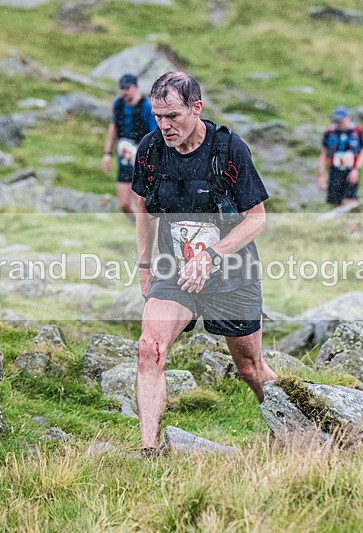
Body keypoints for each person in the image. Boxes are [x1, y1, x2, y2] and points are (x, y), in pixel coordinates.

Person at [131, 72, 277, 455]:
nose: (164, 125)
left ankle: (297, 431)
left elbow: (257, 217)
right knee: (150, 348)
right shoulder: (150, 151)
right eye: (157, 116)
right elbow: (143, 206)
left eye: (173, 115)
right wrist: (145, 266)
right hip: (174, 270)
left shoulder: (228, 151)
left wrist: (211, 256)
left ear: (197, 108)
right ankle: (149, 451)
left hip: (231, 275)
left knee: (251, 370)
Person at [102, 73, 158, 221]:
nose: (124, 92)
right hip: (123, 159)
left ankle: (147, 236)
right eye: (121, 88)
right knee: (124, 205)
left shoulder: (147, 107)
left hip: (141, 160)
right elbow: (113, 127)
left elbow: (154, 134)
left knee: (141, 204)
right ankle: (140, 232)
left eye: (127, 88)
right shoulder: (118, 104)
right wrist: (107, 153)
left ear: (136, 87)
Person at [317, 105, 363, 208]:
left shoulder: (357, 131)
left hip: (350, 170)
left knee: (351, 199)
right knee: (335, 201)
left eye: (341, 121)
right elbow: (324, 154)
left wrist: (356, 169)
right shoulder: (330, 133)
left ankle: (352, 222)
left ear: (348, 118)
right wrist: (321, 175)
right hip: (335, 170)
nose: (339, 123)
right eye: (337, 121)